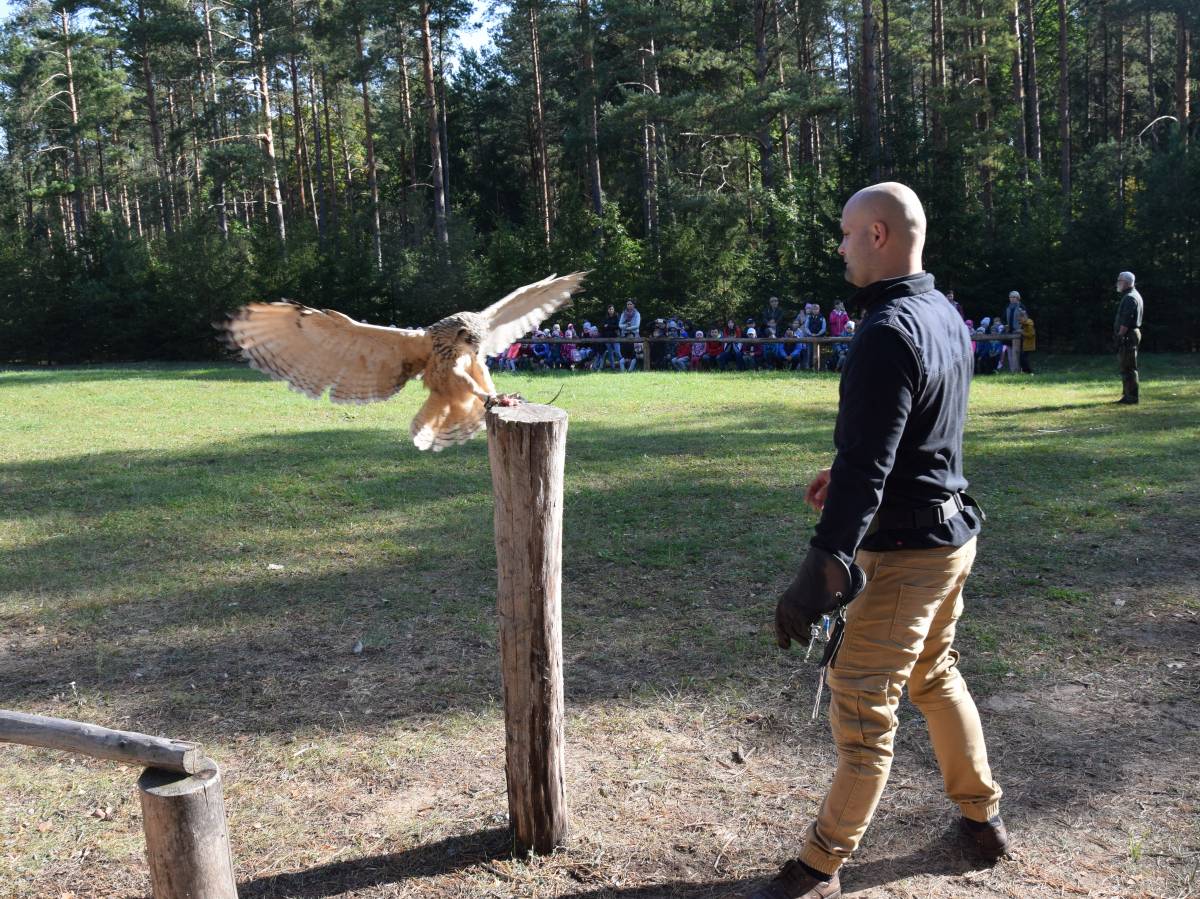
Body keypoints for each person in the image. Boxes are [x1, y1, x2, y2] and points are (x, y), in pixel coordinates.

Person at [754, 182, 1004, 899]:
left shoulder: (889, 329)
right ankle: (982, 819)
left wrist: (822, 564)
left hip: (908, 553)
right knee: (933, 674)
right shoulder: (942, 314)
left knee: (861, 704)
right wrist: (848, 469)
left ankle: (818, 866)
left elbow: (872, 466)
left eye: (845, 232)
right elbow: (915, 433)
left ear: (879, 236)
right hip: (951, 535)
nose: (838, 246)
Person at [1114, 271, 1143, 404]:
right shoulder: (1133, 295)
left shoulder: (1130, 297)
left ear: (1126, 282)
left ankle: (1131, 397)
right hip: (1130, 334)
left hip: (1128, 334)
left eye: (1119, 280)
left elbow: (1126, 320)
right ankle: (1128, 394)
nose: (1117, 283)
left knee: (1128, 367)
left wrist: (1120, 335)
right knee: (1126, 365)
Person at [1004, 291, 1025, 372]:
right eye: (1010, 297)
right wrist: (1004, 325)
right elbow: (1003, 318)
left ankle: (1020, 370)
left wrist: (1021, 328)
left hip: (1019, 332)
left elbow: (1026, 319)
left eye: (1013, 297)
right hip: (1009, 332)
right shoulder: (1007, 307)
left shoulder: (1022, 307)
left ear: (1018, 298)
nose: (1011, 299)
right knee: (1009, 352)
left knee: (1018, 352)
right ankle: (1012, 370)